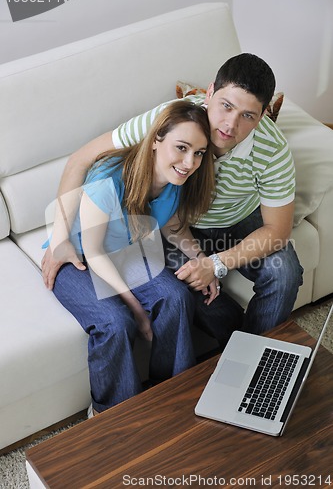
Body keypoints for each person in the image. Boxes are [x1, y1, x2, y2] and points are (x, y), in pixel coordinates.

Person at [42, 53, 303, 348]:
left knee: (285, 271)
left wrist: (216, 264)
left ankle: (256, 359)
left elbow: (278, 231)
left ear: (262, 116)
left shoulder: (273, 150)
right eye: (226, 106)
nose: (230, 125)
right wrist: (59, 238)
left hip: (239, 219)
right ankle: (227, 353)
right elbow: (81, 159)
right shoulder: (172, 119)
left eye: (248, 116)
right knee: (194, 299)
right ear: (210, 92)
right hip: (178, 224)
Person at [51, 101, 216, 416]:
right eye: (181, 148)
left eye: (198, 153)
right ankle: (112, 415)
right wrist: (138, 311)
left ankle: (172, 393)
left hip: (124, 254)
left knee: (177, 296)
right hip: (79, 258)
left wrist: (202, 260)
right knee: (116, 322)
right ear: (156, 141)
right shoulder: (108, 180)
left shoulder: (175, 178)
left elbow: (171, 224)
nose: (189, 162)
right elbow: (95, 252)